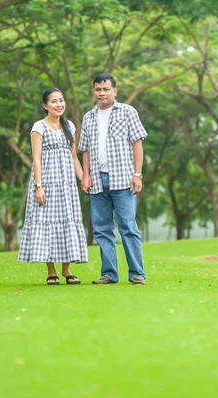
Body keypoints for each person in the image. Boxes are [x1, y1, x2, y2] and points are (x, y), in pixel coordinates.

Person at [79, 73, 147, 285]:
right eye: (98, 90)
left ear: (114, 91)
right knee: (101, 229)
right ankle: (109, 273)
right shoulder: (89, 117)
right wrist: (85, 175)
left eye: (106, 89)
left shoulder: (127, 112)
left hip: (123, 180)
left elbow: (137, 144)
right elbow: (86, 151)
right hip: (98, 182)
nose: (102, 93)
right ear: (94, 91)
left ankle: (137, 273)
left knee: (128, 226)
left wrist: (137, 174)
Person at [18, 88, 88, 285]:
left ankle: (67, 270)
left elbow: (74, 157)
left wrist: (83, 178)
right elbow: (37, 158)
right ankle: (51, 271)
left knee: (67, 221)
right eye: (54, 101)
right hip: (47, 182)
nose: (59, 104)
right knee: (47, 222)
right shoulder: (39, 127)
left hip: (66, 185)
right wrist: (39, 186)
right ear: (45, 105)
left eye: (61, 101)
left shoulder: (70, 126)